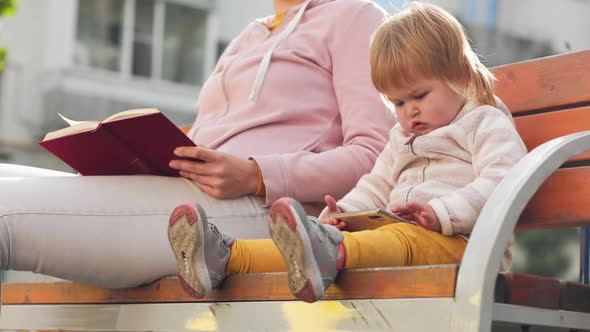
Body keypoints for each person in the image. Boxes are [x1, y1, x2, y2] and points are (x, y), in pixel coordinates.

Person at [0, 0, 393, 288]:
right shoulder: (252, 33)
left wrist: (257, 174)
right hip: (188, 192)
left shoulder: (356, 16)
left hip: (262, 213)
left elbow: (376, 155)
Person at [167, 1, 528, 303]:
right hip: (398, 237)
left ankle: (329, 252)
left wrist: (442, 214)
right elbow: (376, 183)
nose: (409, 111)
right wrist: (343, 212)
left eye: (419, 96)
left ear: (461, 76)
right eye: (398, 102)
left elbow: (504, 181)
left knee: (389, 240)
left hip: (462, 246)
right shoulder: (403, 137)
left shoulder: (485, 122)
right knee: (319, 236)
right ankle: (226, 257)